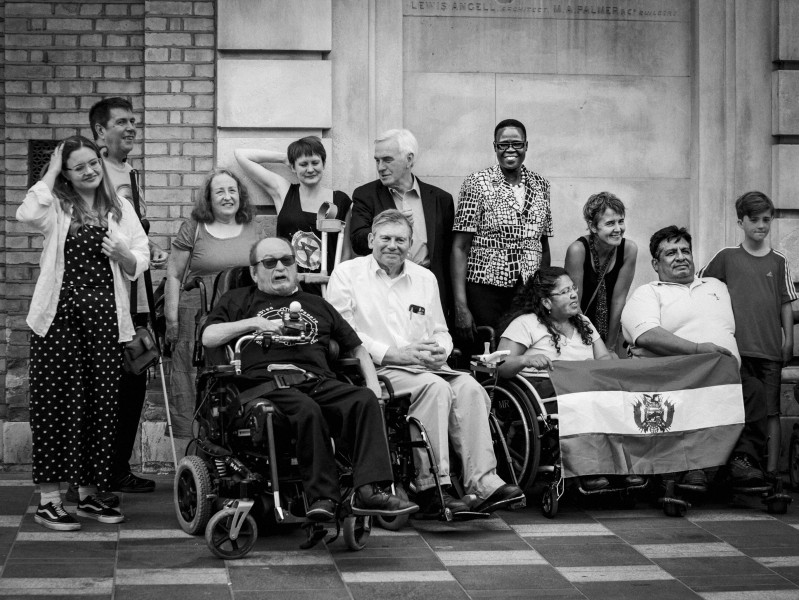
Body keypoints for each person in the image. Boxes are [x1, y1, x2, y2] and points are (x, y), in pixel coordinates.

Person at [202, 236, 418, 520]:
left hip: (317, 381)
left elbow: (357, 348)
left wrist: (373, 385)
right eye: (269, 263)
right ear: (255, 272)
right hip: (265, 385)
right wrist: (257, 323)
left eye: (286, 261)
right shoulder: (238, 300)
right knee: (307, 409)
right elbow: (208, 337)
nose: (280, 268)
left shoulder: (317, 304)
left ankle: (368, 491)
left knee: (363, 399)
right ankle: (322, 498)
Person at [327, 209, 524, 518]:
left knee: (471, 387)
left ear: (411, 243)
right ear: (370, 240)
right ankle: (432, 486)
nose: (393, 245)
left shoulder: (424, 278)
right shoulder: (347, 274)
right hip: (377, 369)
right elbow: (343, 332)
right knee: (435, 389)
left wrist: (440, 351)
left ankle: (483, 483)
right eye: (386, 238)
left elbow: (440, 332)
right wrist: (393, 353)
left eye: (401, 240)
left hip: (427, 367)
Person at [17, 136, 149, 530]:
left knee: (100, 405)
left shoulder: (118, 206)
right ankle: (50, 500)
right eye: (79, 167)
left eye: (93, 163)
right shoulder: (57, 204)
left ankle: (90, 495)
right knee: (55, 405)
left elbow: (140, 254)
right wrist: (52, 171)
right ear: (67, 174)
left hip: (105, 323)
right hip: (58, 321)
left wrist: (124, 255)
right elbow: (26, 213)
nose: (90, 171)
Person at [78, 97, 168, 500]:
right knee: (104, 387)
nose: (131, 128)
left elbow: (132, 238)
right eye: (121, 123)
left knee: (132, 383)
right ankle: (95, 473)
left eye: (134, 121)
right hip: (107, 301)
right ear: (100, 132)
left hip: (136, 295)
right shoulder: (96, 177)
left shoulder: (130, 173)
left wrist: (148, 251)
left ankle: (117, 468)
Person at [621, 225, 746, 488]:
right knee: (692, 395)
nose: (681, 257)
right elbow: (646, 335)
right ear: (656, 263)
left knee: (756, 389)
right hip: (680, 377)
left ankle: (743, 462)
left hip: (729, 377)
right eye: (671, 253)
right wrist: (700, 350)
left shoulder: (717, 286)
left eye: (685, 250)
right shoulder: (649, 292)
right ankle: (693, 467)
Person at [495, 267, 642, 490]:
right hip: (543, 391)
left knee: (621, 397)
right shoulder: (526, 323)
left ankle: (623, 467)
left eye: (573, 289)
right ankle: (589, 468)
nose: (574, 294)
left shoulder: (583, 322)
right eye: (565, 291)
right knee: (585, 400)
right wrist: (526, 361)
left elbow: (602, 356)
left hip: (585, 385)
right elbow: (501, 365)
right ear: (546, 302)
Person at [700, 192, 796, 480]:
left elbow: (785, 304)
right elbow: (702, 287)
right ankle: (734, 466)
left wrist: (788, 340)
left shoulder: (779, 262)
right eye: (754, 220)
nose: (761, 225)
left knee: (771, 412)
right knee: (734, 408)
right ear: (740, 221)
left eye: (766, 219)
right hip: (735, 352)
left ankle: (770, 474)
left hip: (768, 351)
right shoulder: (726, 257)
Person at [164, 169, 265, 441]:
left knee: (236, 372)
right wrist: (171, 321)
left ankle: (237, 440)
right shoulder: (194, 227)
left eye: (232, 191)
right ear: (209, 198)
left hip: (241, 313)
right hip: (196, 314)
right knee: (192, 376)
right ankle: (194, 445)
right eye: (220, 191)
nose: (227, 196)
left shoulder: (254, 227)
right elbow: (173, 275)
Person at [452, 118, 553, 345]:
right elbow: (460, 247)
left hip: (526, 291)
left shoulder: (541, 186)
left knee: (521, 349)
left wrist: (542, 292)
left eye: (516, 144)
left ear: (526, 145)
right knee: (488, 353)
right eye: (503, 144)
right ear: (495, 147)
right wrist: (461, 305)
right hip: (485, 289)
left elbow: (542, 244)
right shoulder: (476, 183)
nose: (510, 149)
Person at [349, 129, 454, 310]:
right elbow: (358, 241)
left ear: (409, 160)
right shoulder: (365, 195)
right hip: (384, 289)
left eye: (387, 160)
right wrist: (388, 224)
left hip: (428, 289)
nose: (380, 167)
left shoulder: (440, 199)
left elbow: (448, 255)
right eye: (377, 160)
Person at [234, 137, 352, 295]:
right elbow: (241, 155)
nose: (310, 169)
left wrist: (338, 287)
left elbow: (346, 253)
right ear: (293, 167)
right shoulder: (284, 191)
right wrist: (284, 158)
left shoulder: (340, 200)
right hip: (288, 286)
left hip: (326, 289)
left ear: (323, 164)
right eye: (303, 164)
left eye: (315, 162)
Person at [564, 192, 637, 354]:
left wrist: (610, 347)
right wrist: (592, 343)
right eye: (610, 223)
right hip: (579, 328)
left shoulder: (628, 249)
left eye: (621, 221)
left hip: (613, 329)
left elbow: (619, 301)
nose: (618, 229)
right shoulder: (578, 250)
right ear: (593, 226)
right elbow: (574, 304)